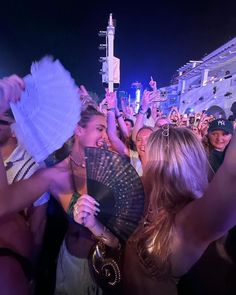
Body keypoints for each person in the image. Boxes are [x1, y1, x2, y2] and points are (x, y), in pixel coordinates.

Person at [122, 126, 236, 295]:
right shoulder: (145, 200)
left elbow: (232, 176)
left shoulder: (185, 221)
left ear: (168, 166)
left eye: (149, 152)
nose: (141, 150)